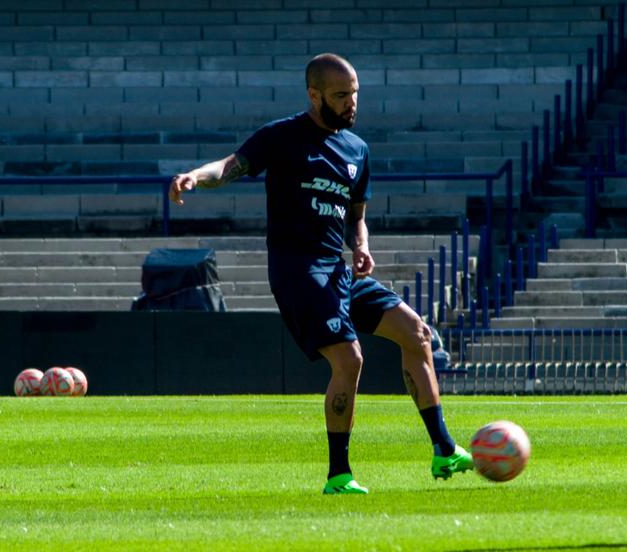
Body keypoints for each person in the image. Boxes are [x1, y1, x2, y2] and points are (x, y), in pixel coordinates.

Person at [169, 53, 472, 494]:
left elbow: (356, 216)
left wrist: (362, 246)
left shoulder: (357, 150)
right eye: (340, 95)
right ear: (314, 95)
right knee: (350, 359)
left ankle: (444, 450)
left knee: (417, 333)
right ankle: (339, 475)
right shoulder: (282, 137)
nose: (351, 103)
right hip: (299, 271)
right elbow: (230, 166)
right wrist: (195, 176)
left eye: (354, 94)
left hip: (337, 270)